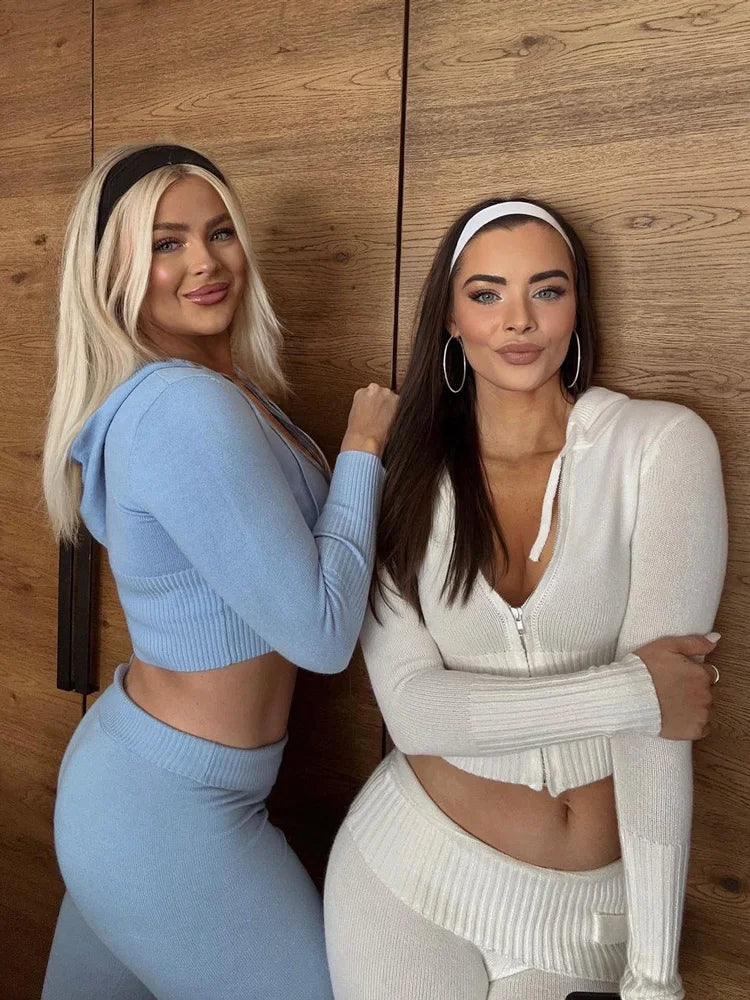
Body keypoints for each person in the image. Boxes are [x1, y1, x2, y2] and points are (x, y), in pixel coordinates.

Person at [324, 198, 727, 999]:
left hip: (579, 918)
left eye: (546, 290)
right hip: (401, 875)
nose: (519, 320)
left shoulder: (660, 448)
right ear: (450, 317)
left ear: (577, 305)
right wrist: (634, 694)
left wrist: (654, 977)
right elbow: (414, 712)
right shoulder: (404, 478)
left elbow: (662, 738)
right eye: (487, 294)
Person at [41, 143, 397, 1000]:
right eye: (166, 243)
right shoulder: (181, 406)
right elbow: (321, 634)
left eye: (220, 232)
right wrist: (363, 448)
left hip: (140, 789)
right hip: (168, 813)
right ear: (114, 270)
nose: (204, 261)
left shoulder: (215, 392)